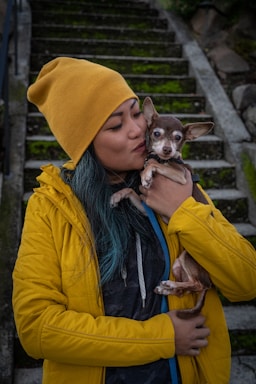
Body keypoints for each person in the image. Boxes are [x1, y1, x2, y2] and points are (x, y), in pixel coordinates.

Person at [12, 57, 256, 384]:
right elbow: (37, 329)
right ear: (84, 143)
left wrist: (184, 210)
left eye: (136, 111)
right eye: (115, 125)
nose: (138, 129)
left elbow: (246, 282)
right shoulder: (51, 207)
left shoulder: (175, 183)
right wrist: (160, 337)